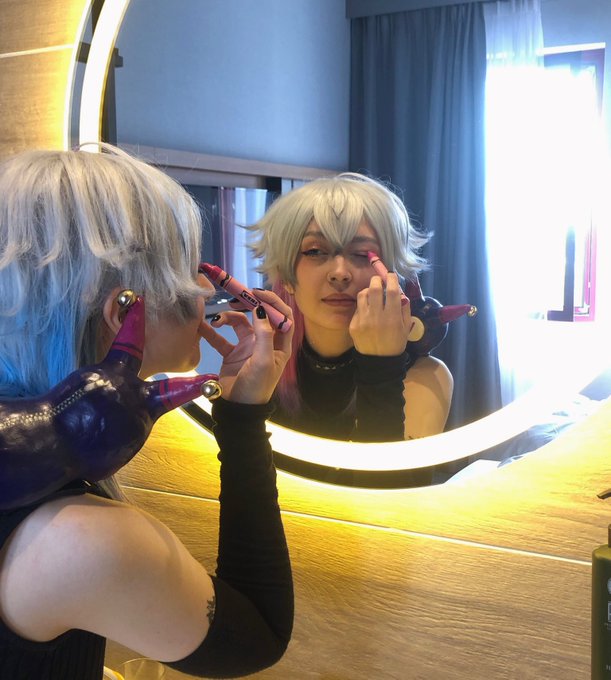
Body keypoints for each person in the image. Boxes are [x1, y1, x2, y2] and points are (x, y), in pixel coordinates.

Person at [0, 145, 294, 679]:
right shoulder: (82, 541)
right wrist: (243, 421)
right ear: (124, 310)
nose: (204, 288)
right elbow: (259, 637)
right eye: (185, 269)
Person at [248, 172, 454, 444]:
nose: (340, 273)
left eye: (362, 254)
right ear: (286, 277)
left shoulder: (426, 378)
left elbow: (386, 473)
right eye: (315, 251)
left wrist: (382, 368)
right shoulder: (262, 367)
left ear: (391, 274)